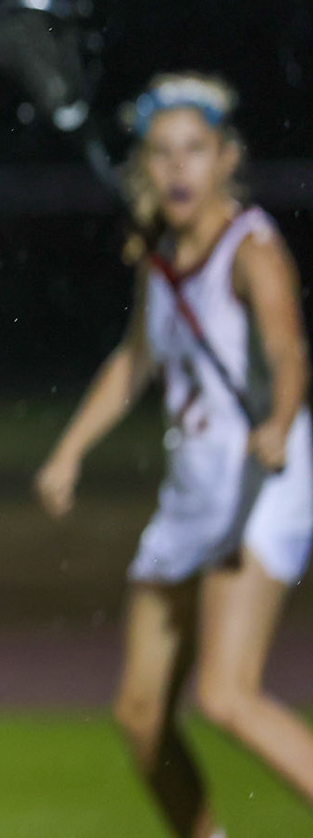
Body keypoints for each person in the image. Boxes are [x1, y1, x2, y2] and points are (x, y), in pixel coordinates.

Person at [36, 73, 313, 837]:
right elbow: (135, 361)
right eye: (161, 153)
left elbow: (289, 353)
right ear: (144, 167)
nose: (178, 167)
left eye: (194, 150)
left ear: (226, 159)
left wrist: (280, 418)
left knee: (226, 695)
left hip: (263, 482)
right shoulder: (158, 256)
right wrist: (69, 452)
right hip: (194, 490)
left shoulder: (250, 248)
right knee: (140, 716)